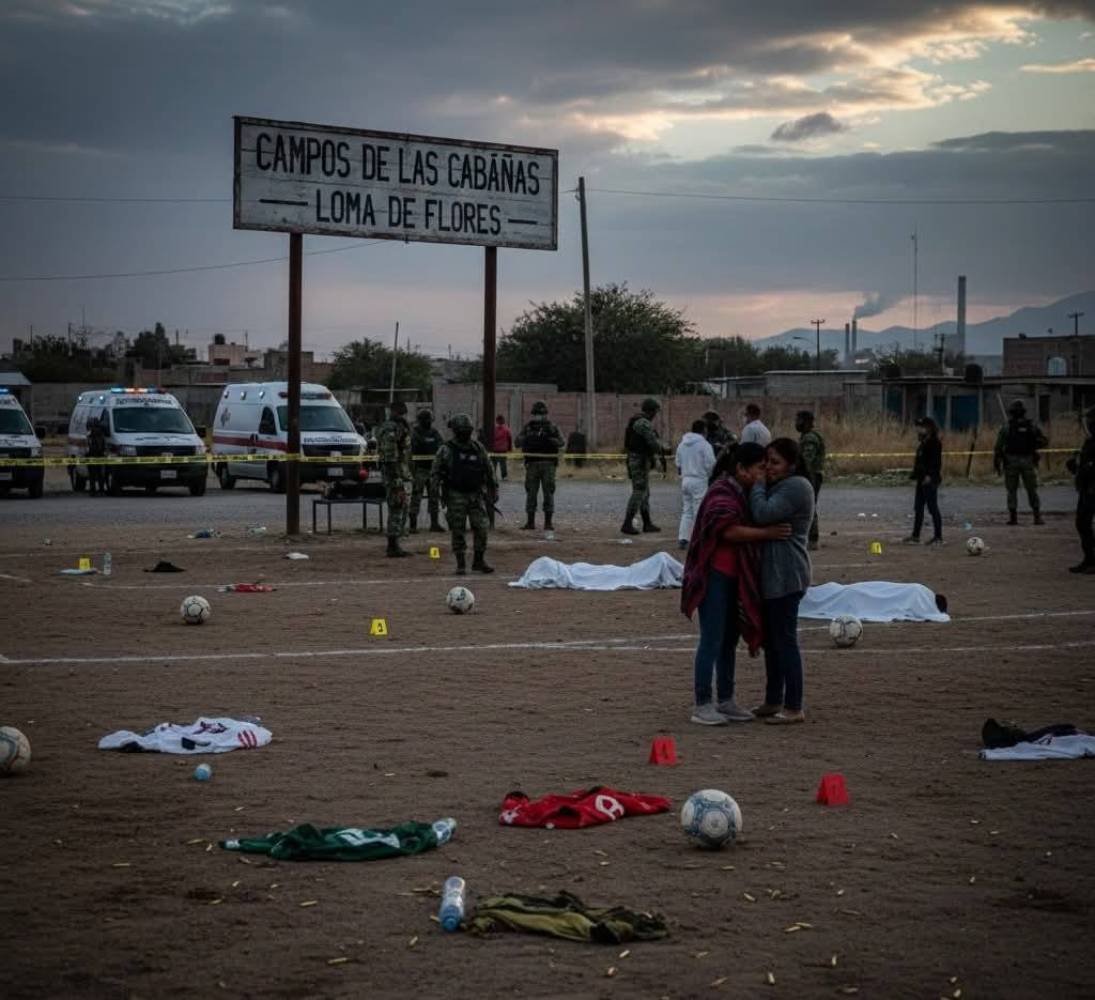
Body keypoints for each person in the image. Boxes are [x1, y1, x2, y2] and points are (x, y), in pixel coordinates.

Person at [681, 443, 790, 725]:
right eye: (758, 469)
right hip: (714, 576)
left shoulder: (742, 492)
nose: (763, 474)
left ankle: (726, 700)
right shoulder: (722, 492)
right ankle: (702, 704)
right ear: (741, 469)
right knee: (711, 640)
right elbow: (727, 531)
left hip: (733, 578)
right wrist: (766, 533)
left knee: (728, 640)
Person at [749, 438, 815, 725]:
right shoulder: (782, 486)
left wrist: (758, 483)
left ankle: (793, 705)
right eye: (766, 463)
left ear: (792, 463)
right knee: (772, 643)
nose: (769, 468)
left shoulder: (796, 486)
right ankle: (773, 699)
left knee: (785, 642)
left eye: (775, 463)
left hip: (787, 576)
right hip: (773, 577)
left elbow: (762, 513)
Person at [431, 413, 498, 575]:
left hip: (476, 495)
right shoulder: (446, 449)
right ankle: (460, 563)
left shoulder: (477, 447)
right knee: (458, 529)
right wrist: (435, 492)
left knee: (482, 527)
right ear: (455, 431)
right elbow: (436, 472)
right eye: (461, 430)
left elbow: (489, 469)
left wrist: (493, 488)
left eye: (467, 430)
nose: (465, 433)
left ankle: (478, 561)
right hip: (455, 494)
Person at [994, 400, 1047, 525]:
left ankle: (1013, 518)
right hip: (1028, 461)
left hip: (1011, 461)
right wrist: (1033, 445)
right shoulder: (1031, 426)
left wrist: (997, 463)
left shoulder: (1007, 427)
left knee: (1011, 490)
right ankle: (1037, 517)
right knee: (1031, 489)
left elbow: (998, 447)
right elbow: (1044, 441)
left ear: (1011, 413)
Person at [622, 397, 670, 535]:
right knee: (639, 491)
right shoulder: (643, 423)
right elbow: (652, 442)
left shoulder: (638, 421)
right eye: (655, 411)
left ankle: (647, 523)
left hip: (639, 460)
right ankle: (627, 523)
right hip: (639, 460)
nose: (656, 415)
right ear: (651, 411)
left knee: (645, 492)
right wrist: (663, 449)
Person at [515, 401, 564, 531]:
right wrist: (528, 437)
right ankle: (530, 522)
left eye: (541, 414)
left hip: (548, 464)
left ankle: (548, 522)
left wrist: (549, 438)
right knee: (531, 493)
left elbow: (561, 442)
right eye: (536, 414)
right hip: (532, 464)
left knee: (548, 492)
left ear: (546, 414)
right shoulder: (528, 427)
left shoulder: (552, 427)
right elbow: (517, 442)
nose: (538, 416)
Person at [376, 401, 413, 557]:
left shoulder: (398, 428)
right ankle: (392, 545)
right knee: (397, 507)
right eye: (402, 414)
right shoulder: (390, 429)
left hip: (399, 473)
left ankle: (396, 542)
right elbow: (390, 457)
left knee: (402, 507)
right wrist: (396, 480)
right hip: (393, 474)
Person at [903, 416, 943, 546]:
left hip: (929, 480)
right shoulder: (923, 443)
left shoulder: (934, 443)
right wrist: (915, 475)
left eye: (921, 427)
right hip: (921, 479)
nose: (918, 429)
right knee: (918, 508)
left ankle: (938, 536)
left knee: (932, 508)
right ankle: (915, 536)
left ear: (929, 428)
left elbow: (936, 463)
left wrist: (930, 476)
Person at [675, 419, 716, 550]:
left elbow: (678, 463)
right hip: (699, 480)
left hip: (685, 479)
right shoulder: (705, 445)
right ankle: (699, 539)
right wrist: (708, 476)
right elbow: (711, 464)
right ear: (704, 430)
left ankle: (683, 538)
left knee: (687, 510)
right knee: (699, 510)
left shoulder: (682, 444)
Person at [1066, 406, 1095, 574]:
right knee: (1082, 524)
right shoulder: (1090, 441)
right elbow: (1085, 465)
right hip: (1086, 488)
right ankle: (1089, 559)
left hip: (1092, 488)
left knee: (1085, 523)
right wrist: (1075, 466)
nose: (1088, 423)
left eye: (1090, 420)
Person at [409, 409, 444, 534]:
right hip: (420, 469)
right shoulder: (416, 433)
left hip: (432, 469)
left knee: (434, 497)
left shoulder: (434, 432)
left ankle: (434, 524)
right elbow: (414, 448)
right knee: (416, 497)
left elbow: (441, 446)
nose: (428, 422)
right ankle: (413, 525)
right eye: (426, 420)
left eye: (429, 419)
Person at [796, 410, 826, 551]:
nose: (796, 423)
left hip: (811, 475)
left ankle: (813, 539)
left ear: (807, 421)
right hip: (810, 475)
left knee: (810, 506)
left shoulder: (810, 439)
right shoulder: (806, 437)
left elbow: (807, 460)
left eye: (799, 420)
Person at [86, 416, 108, 496]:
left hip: (92, 456)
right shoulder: (101, 434)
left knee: (92, 475)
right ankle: (101, 490)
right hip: (100, 456)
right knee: (100, 475)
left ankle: (93, 491)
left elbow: (88, 446)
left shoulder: (90, 434)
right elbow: (104, 445)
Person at [491, 414, 513, 481]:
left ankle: (493, 476)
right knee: (503, 463)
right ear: (503, 421)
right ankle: (504, 476)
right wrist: (509, 448)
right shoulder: (506, 429)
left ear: (496, 421)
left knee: (493, 463)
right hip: (503, 449)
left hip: (494, 449)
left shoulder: (493, 429)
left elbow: (490, 438)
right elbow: (509, 439)